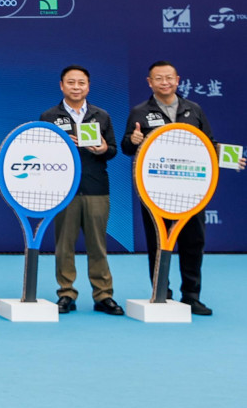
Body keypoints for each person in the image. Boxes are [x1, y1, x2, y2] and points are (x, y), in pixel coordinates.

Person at [124, 61, 215, 314]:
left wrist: (227, 158)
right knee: (157, 242)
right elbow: (126, 147)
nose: (164, 82)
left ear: (178, 80)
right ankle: (161, 292)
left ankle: (191, 296)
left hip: (191, 189)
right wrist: (133, 140)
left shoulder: (193, 109)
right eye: (158, 78)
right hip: (154, 190)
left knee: (193, 242)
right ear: (149, 82)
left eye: (169, 78)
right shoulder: (140, 112)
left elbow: (209, 144)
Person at [40, 65, 122, 315]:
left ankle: (103, 295)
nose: (76, 87)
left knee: (98, 245)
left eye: (81, 83)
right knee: (64, 245)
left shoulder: (101, 115)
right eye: (71, 82)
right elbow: (41, 153)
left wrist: (102, 149)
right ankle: (66, 293)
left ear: (88, 86)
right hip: (64, 191)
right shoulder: (49, 117)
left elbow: (113, 150)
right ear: (62, 85)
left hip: (96, 187)